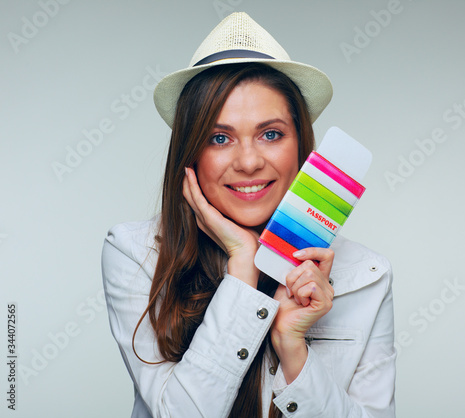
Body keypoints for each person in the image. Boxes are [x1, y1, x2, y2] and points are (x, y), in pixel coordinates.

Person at [101, 12, 396, 418]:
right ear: (190, 155)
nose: (249, 161)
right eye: (219, 138)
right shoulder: (136, 254)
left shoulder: (366, 276)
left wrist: (293, 350)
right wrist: (243, 269)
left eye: (270, 134)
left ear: (300, 147)